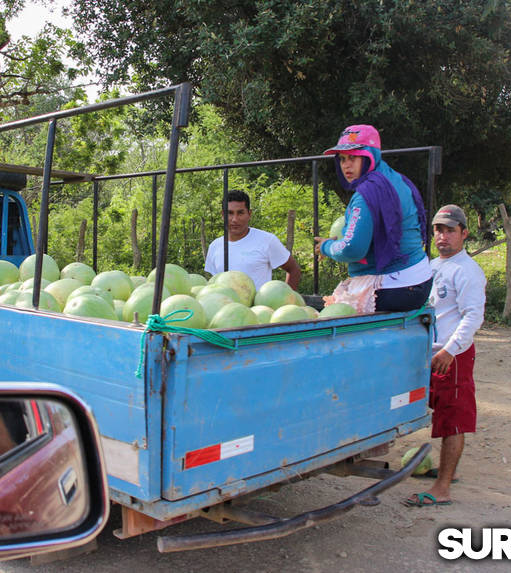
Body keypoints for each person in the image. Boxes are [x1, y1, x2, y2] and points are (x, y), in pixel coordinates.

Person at [405, 203, 486, 508]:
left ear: (464, 233)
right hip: (429, 353)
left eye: (450, 230)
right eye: (438, 230)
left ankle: (442, 488)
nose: (443, 236)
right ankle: (444, 473)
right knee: (435, 411)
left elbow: (472, 316)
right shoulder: (433, 266)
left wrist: (451, 351)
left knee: (453, 419)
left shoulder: (467, 271)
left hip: (452, 356)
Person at [314, 125, 432, 312]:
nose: (346, 165)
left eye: (353, 157)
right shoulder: (396, 179)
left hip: (395, 287)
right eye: (342, 159)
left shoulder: (367, 193)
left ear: (370, 156)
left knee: (323, 311)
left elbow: (353, 249)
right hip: (420, 281)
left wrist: (326, 247)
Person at [205, 190, 301, 290]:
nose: (235, 219)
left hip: (259, 305)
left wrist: (286, 300)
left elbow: (294, 269)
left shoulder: (266, 240)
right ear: (222, 215)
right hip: (225, 305)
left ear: (249, 214)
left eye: (240, 213)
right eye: (230, 213)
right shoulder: (215, 246)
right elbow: (214, 283)